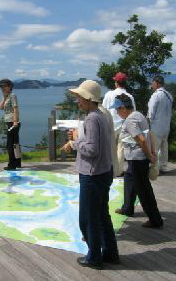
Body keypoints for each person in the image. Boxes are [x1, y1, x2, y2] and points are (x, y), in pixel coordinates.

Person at [62, 80, 119, 270]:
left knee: (88, 218)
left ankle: (94, 257)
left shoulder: (91, 119)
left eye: (79, 97)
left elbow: (92, 150)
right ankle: (110, 253)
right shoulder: (101, 116)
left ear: (88, 98)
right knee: (102, 215)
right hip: (104, 172)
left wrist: (75, 142)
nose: (77, 101)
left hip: (92, 175)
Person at [111, 94, 163, 228]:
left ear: (123, 108)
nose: (117, 113)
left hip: (137, 159)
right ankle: (128, 207)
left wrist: (150, 156)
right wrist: (150, 152)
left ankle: (155, 219)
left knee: (144, 190)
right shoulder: (139, 115)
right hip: (136, 159)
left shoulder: (130, 120)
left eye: (117, 110)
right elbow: (148, 135)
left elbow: (141, 139)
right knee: (129, 179)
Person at [102, 72, 136, 177]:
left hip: (110, 125)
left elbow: (103, 110)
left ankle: (108, 169)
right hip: (123, 125)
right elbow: (133, 112)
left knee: (109, 148)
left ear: (116, 82)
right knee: (121, 149)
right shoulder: (129, 96)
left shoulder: (108, 95)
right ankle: (118, 171)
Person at [147, 75, 173, 173]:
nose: (152, 84)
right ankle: (163, 167)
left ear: (157, 83)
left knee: (155, 148)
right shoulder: (169, 95)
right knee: (164, 147)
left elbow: (151, 112)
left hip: (156, 126)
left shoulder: (156, 95)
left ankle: (155, 169)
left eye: (152, 82)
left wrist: (149, 122)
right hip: (166, 126)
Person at [0, 79, 21, 170]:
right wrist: (4, 97)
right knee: (15, 143)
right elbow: (1, 107)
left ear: (9, 86)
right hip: (9, 122)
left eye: (4, 86)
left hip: (12, 122)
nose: (2, 88)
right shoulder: (6, 97)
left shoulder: (13, 96)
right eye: (1, 87)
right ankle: (18, 162)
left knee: (10, 144)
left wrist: (15, 121)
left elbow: (15, 108)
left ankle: (12, 164)